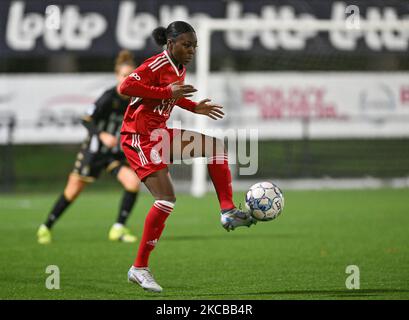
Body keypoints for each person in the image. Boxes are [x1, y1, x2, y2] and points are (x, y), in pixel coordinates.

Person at [119, 21, 257, 293]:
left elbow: (173, 95)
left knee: (216, 148)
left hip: (159, 134)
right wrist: (164, 92)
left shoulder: (178, 66)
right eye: (186, 45)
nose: (191, 50)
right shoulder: (154, 65)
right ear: (170, 44)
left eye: (194, 45)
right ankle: (139, 268)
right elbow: (125, 87)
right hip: (138, 137)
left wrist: (194, 106)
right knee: (166, 198)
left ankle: (228, 211)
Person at [37, 50, 141, 245]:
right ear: (117, 76)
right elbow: (86, 120)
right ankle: (46, 227)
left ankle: (118, 228)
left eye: (132, 76)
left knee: (133, 183)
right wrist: (102, 135)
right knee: (73, 191)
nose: (129, 79)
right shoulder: (108, 98)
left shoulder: (135, 100)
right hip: (94, 152)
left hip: (114, 154)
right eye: (125, 76)